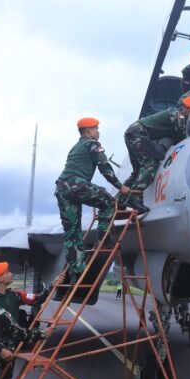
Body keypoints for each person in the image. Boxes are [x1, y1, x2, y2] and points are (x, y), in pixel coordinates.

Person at [55, 117, 131, 284]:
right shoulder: (92, 144)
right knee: (109, 202)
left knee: (72, 232)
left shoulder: (76, 146)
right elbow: (104, 167)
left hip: (62, 188)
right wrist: (121, 187)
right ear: (88, 131)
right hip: (76, 185)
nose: (98, 131)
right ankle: (104, 240)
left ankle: (77, 274)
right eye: (96, 128)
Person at [121, 96, 190, 213]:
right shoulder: (176, 114)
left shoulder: (177, 114)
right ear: (185, 108)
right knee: (150, 163)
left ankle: (118, 201)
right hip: (137, 134)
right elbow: (182, 132)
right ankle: (135, 197)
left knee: (137, 172)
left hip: (132, 134)